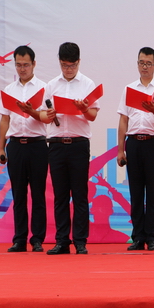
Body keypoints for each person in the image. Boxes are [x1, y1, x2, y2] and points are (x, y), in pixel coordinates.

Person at [41, 42, 99, 255]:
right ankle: (62, 241)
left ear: (79, 62)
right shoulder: (51, 85)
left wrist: (83, 109)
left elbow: (93, 116)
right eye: (65, 65)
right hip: (56, 144)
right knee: (60, 195)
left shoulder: (87, 84)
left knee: (80, 194)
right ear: (59, 62)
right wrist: (49, 114)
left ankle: (80, 241)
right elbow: (43, 115)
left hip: (78, 144)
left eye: (72, 65)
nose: (68, 69)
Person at [116, 47, 154, 251]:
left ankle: (151, 237)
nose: (145, 67)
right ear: (137, 64)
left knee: (152, 193)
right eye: (141, 63)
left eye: (149, 63)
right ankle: (138, 237)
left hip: (153, 144)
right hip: (133, 143)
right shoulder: (129, 89)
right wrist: (121, 150)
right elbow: (123, 120)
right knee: (136, 192)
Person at [0, 45, 49, 252]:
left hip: (37, 145)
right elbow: (4, 120)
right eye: (18, 65)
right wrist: (2, 148)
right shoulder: (9, 90)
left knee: (38, 194)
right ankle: (19, 239)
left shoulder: (44, 88)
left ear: (34, 64)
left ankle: (37, 239)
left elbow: (47, 118)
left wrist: (32, 111)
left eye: (26, 65)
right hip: (16, 145)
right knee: (18, 194)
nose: (22, 69)